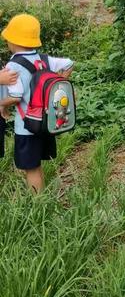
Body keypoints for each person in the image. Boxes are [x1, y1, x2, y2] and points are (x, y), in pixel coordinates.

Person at [0, 14, 73, 193]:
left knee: (30, 168)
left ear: (13, 42)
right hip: (45, 122)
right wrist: (60, 80)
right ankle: (41, 195)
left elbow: (16, 97)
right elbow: (69, 63)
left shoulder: (14, 66)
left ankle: (37, 203)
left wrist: (2, 104)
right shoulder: (45, 59)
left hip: (26, 126)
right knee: (36, 165)